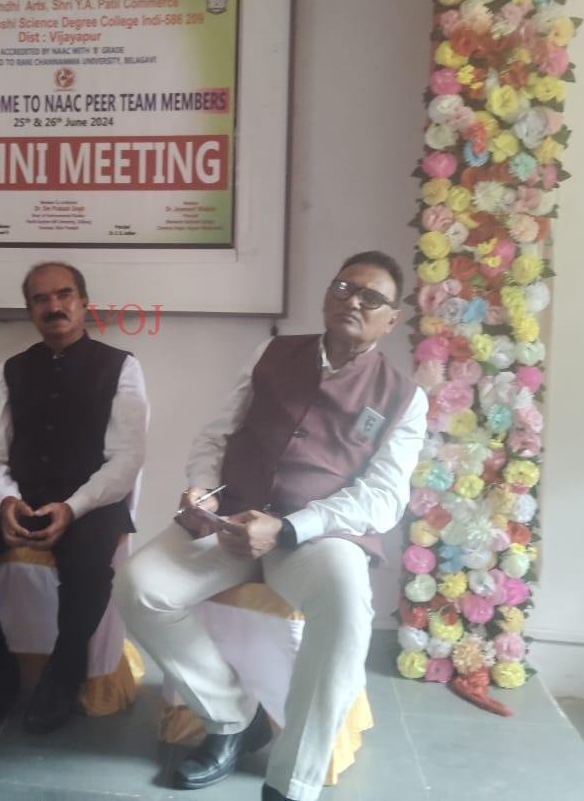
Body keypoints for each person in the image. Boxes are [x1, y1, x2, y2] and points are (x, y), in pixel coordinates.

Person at [115, 251, 428, 801]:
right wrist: (201, 486)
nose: (353, 301)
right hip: (231, 516)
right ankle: (232, 717)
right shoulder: (272, 353)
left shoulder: (404, 397)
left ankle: (292, 782)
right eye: (343, 287)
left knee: (347, 603)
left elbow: (382, 498)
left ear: (391, 319)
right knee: (139, 586)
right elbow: (218, 433)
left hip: (315, 537)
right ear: (327, 295)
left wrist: (288, 529)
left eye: (371, 297)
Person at [0, 262, 148, 733]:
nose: (53, 306)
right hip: (19, 498)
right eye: (41, 299)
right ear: (30, 310)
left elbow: (126, 462)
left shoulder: (122, 367)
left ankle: (63, 679)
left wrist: (73, 507)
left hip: (89, 502)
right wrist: (5, 500)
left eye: (64, 295)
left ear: (83, 303)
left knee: (88, 566)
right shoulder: (11, 370)